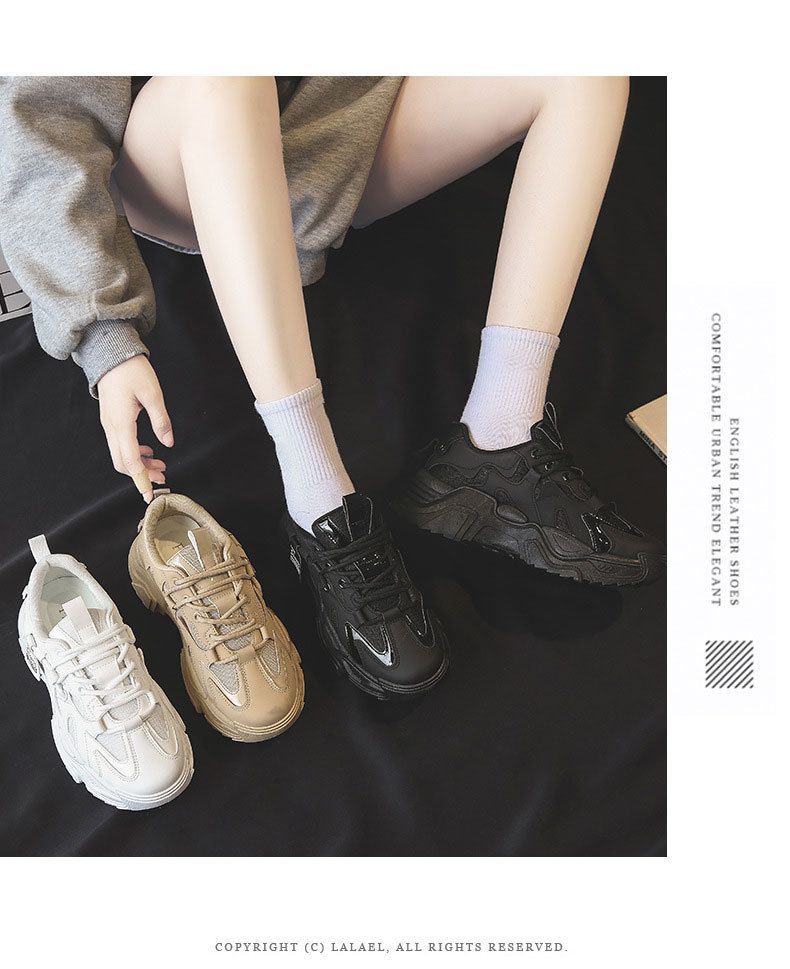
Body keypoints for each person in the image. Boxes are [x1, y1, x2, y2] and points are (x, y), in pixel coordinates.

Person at [0, 76, 664, 699]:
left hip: (338, 127)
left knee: (585, 58)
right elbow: (37, 126)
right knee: (223, 66)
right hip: (189, 155)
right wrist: (105, 338)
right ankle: (318, 501)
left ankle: (501, 434)